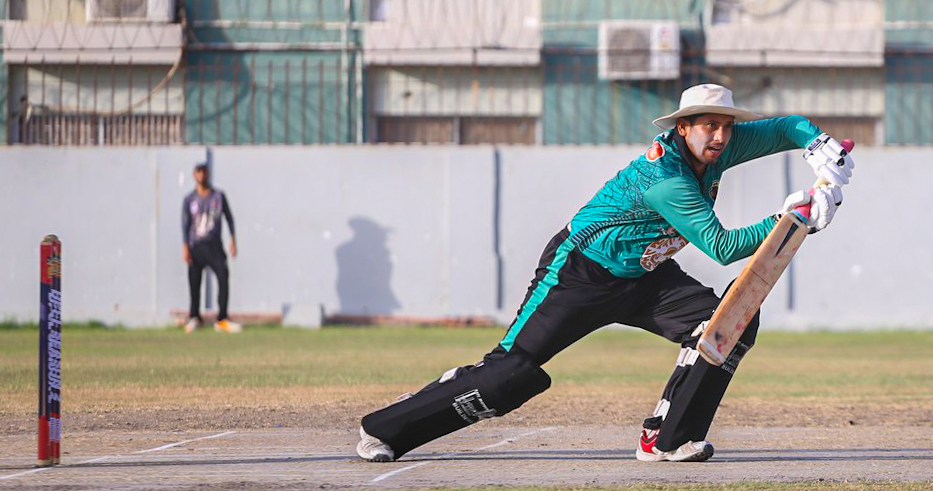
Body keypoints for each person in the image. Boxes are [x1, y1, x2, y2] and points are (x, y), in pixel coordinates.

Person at [356, 83, 855, 463]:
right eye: (709, 126)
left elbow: (787, 127)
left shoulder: (720, 145)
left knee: (730, 323)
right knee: (510, 374)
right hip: (580, 272)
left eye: (727, 125)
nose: (721, 137)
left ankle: (667, 439)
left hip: (647, 276)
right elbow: (723, 249)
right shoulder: (666, 179)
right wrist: (792, 220)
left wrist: (819, 144)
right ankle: (385, 428)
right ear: (683, 127)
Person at [181, 162, 242, 334]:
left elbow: (229, 218)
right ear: (194, 175)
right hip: (196, 245)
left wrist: (233, 240)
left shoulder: (218, 196)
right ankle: (195, 317)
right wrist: (185, 247)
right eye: (199, 172)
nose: (202, 175)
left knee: (223, 276)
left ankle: (222, 319)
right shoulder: (189, 199)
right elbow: (185, 224)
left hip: (214, 245)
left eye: (204, 172)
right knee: (194, 282)